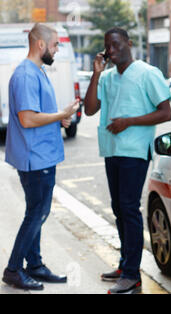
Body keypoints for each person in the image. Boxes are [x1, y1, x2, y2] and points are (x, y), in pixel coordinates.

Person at [84, 27, 171, 294]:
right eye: (107, 47)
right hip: (112, 149)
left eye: (115, 45)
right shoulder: (108, 77)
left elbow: (166, 112)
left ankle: (132, 274)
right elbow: (89, 109)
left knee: (129, 208)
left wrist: (129, 122)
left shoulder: (147, 73)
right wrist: (96, 72)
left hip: (134, 151)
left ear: (129, 44)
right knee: (119, 209)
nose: (111, 51)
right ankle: (125, 264)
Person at [2, 23, 80, 291]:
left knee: (37, 212)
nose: (57, 49)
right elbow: (27, 118)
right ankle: (13, 269)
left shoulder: (36, 71)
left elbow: (37, 113)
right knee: (37, 213)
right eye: (56, 44)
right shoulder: (26, 75)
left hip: (41, 155)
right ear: (41, 44)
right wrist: (60, 115)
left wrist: (58, 119)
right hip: (35, 158)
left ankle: (34, 264)